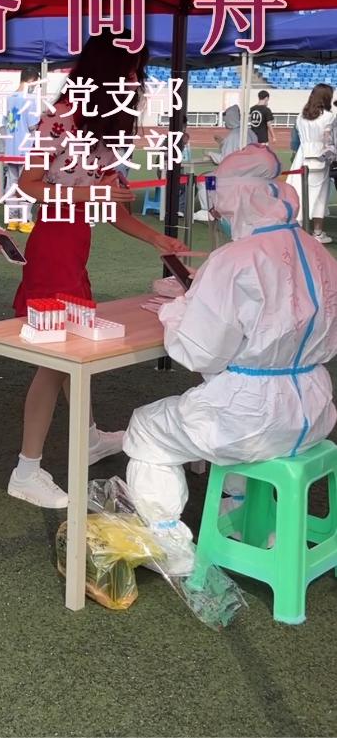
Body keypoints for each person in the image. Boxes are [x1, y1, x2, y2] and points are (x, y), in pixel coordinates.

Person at [124, 145, 337, 575]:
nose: (218, 214)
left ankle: (171, 548)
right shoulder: (318, 252)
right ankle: (242, 518)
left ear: (237, 198)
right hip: (314, 407)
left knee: (147, 428)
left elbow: (200, 351)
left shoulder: (235, 259)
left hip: (252, 413)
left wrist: (178, 309)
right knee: (221, 419)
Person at [7, 31, 189, 510]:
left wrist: (158, 240)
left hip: (74, 250)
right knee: (55, 363)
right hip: (52, 247)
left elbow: (115, 207)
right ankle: (26, 469)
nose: (137, 80)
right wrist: (91, 194)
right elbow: (29, 185)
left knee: (69, 358)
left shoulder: (102, 127)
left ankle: (85, 436)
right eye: (131, 71)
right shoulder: (59, 117)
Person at [287, 83, 336, 245]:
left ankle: (298, 229)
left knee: (300, 193)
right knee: (320, 196)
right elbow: (329, 141)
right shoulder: (329, 117)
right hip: (320, 158)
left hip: (301, 158)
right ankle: (317, 232)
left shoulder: (300, 117)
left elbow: (295, 141)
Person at [192, 104, 257, 221]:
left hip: (232, 175)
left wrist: (209, 153)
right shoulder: (250, 133)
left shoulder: (234, 135)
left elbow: (225, 159)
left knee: (203, 180)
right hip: (249, 174)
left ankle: (209, 211)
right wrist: (223, 143)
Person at [3, 67, 40, 233]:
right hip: (26, 149)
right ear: (32, 81)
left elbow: (6, 122)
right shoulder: (30, 99)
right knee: (27, 185)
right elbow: (33, 126)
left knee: (11, 185)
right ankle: (24, 220)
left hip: (10, 148)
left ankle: (12, 220)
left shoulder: (9, 98)